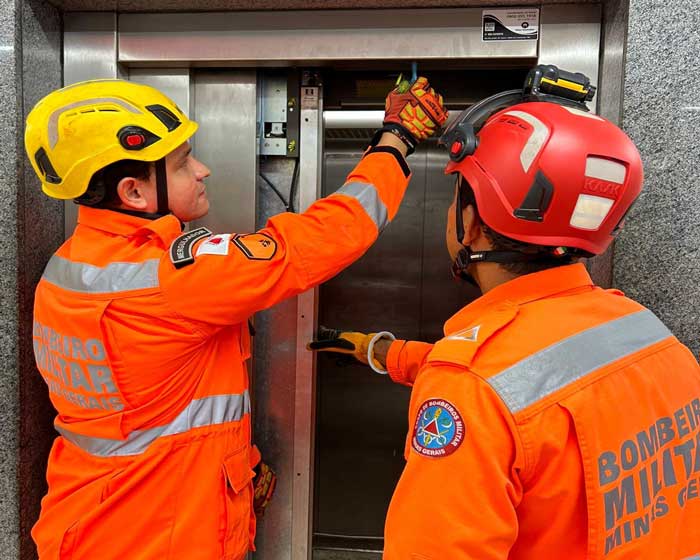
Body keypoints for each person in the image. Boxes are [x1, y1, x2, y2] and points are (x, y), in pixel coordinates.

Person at [24, 76, 447, 559]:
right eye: (182, 163)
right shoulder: (176, 278)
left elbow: (149, 409)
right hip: (163, 539)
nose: (201, 170)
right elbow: (328, 236)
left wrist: (237, 465)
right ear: (134, 192)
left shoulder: (66, 270)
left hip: (93, 525)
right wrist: (396, 141)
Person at [310, 88, 700, 558]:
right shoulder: (646, 334)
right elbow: (530, 381)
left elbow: (498, 388)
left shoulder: (471, 387)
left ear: (471, 222)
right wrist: (380, 352)